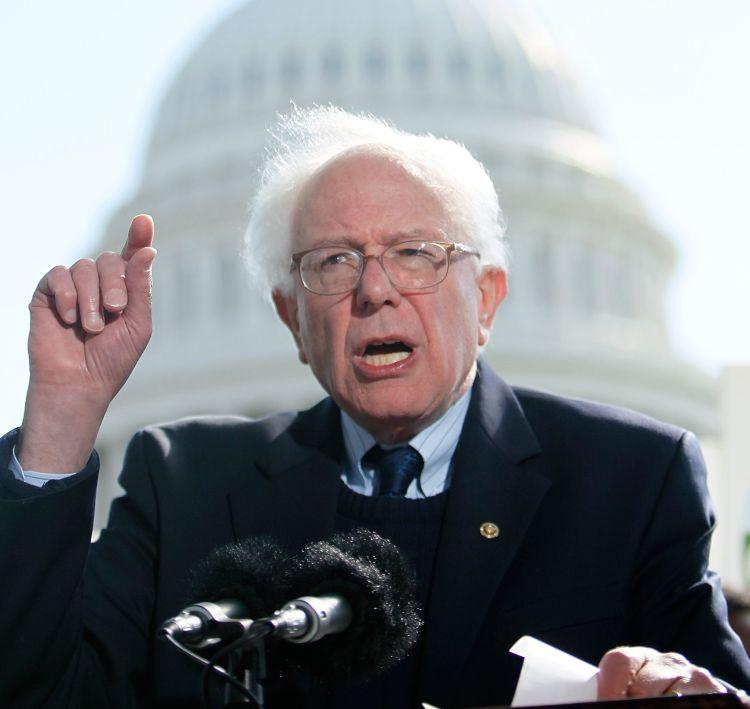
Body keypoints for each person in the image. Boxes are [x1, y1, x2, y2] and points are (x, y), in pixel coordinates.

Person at [1, 106, 748, 708]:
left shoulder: (631, 483)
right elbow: (41, 692)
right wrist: (64, 415)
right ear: (293, 320)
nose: (375, 288)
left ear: (487, 298)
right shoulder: (185, 486)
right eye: (333, 260)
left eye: (416, 252)